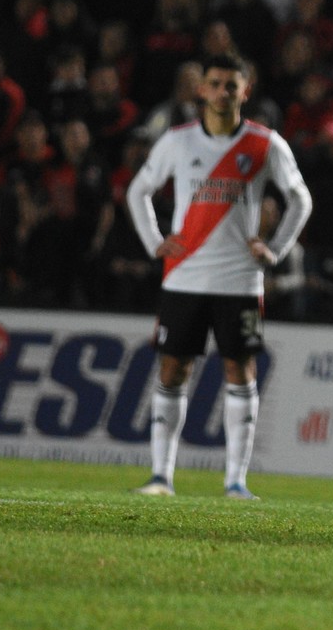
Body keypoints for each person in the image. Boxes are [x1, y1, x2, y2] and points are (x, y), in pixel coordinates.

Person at [126, 52, 312, 500]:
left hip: (240, 280)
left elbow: (300, 199)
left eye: (233, 85)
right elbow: (139, 190)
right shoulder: (178, 141)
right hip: (184, 276)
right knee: (173, 369)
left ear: (245, 92)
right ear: (202, 90)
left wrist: (276, 250)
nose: (224, 92)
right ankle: (161, 477)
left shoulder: (265, 144)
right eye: (216, 83)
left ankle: (235, 481)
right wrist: (155, 243)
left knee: (239, 370)